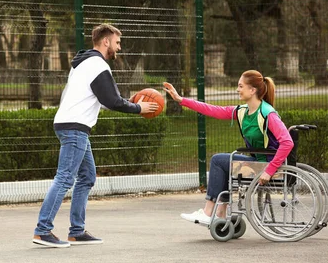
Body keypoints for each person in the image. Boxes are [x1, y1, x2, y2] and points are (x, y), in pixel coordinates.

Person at [33, 24, 159, 248]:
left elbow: (106, 98)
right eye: (117, 42)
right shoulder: (97, 64)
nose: (119, 48)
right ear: (106, 41)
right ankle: (43, 230)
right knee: (64, 178)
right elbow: (112, 101)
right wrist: (138, 108)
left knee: (87, 176)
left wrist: (130, 102)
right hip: (75, 127)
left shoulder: (84, 64)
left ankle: (77, 231)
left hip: (72, 125)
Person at [162, 70, 293, 225]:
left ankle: (208, 212)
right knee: (224, 163)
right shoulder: (243, 111)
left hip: (267, 166)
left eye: (240, 86)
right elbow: (211, 110)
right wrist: (181, 100)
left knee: (218, 160)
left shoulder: (267, 113)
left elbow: (287, 142)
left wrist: (269, 170)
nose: (238, 89)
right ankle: (220, 214)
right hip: (257, 162)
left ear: (252, 90)